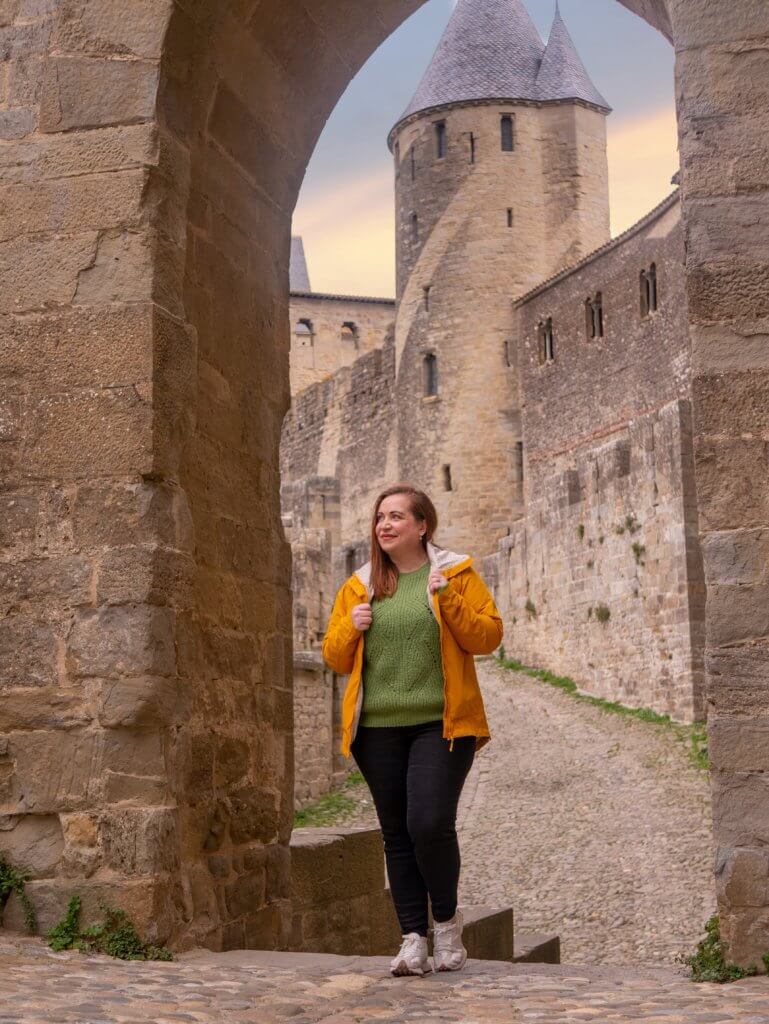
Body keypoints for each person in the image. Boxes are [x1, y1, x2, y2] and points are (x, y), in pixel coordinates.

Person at [321, 483, 503, 977]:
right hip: (376, 729)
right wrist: (350, 627)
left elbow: (488, 636)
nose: (385, 525)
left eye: (397, 516)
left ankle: (444, 922)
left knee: (428, 823)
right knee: (397, 834)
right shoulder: (358, 586)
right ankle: (412, 940)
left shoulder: (456, 575)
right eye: (381, 517)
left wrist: (449, 602)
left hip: (442, 724)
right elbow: (334, 658)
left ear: (423, 526)